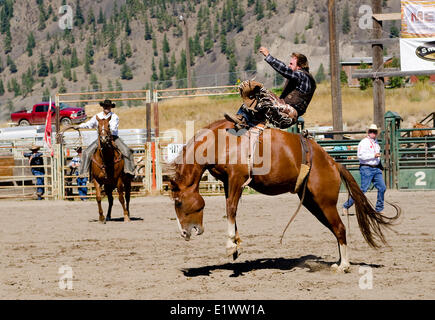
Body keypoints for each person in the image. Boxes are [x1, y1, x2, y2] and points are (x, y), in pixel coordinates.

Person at [225, 47, 316, 129]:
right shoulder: (302, 78)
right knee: (259, 102)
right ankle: (247, 122)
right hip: (286, 112)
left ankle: (242, 118)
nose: (289, 65)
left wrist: (268, 56)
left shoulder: (302, 75)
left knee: (259, 92)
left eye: (291, 64)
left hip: (289, 113)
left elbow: (285, 70)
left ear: (299, 66)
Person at [73, 99, 135, 177]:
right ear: (103, 107)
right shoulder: (98, 116)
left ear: (110, 107)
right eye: (105, 106)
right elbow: (89, 124)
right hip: (101, 138)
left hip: (113, 138)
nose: (107, 108)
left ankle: (129, 170)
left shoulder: (114, 117)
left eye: (108, 106)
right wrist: (79, 126)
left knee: (126, 151)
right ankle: (84, 172)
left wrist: (108, 132)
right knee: (86, 152)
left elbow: (113, 127)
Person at [343, 124, 386, 214]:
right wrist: (373, 156)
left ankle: (379, 209)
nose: (373, 133)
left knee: (382, 188)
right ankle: (346, 205)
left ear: (376, 133)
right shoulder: (364, 142)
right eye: (371, 131)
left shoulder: (376, 143)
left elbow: (376, 155)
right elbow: (360, 156)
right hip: (366, 168)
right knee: (363, 190)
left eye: (374, 131)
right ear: (368, 132)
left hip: (376, 168)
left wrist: (379, 164)